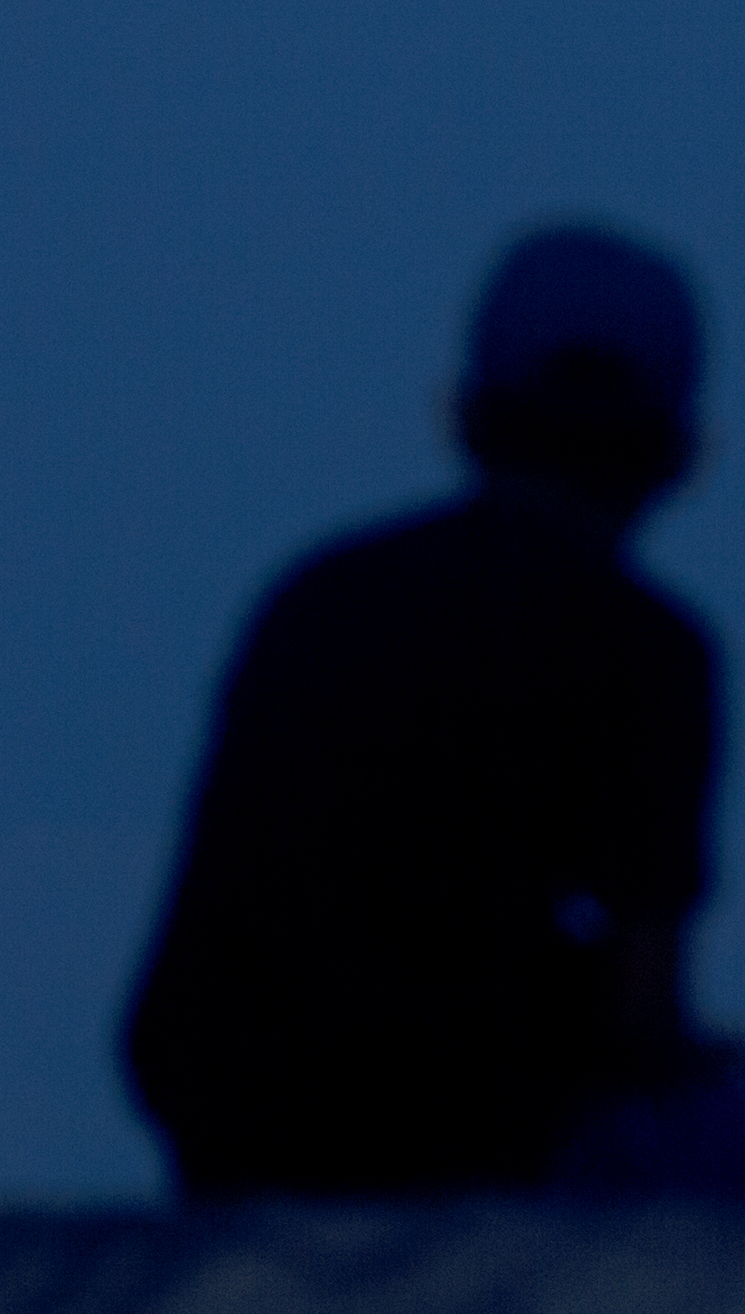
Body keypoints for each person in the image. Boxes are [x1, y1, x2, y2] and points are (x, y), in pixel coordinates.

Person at [122, 223, 726, 1197]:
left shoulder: (319, 594)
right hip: (465, 1141)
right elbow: (641, 1015)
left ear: (464, 417)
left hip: (235, 1122)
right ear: (680, 454)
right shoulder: (646, 649)